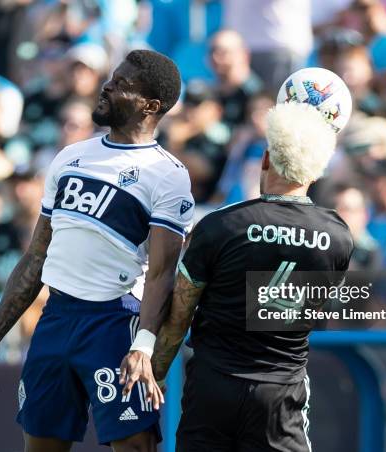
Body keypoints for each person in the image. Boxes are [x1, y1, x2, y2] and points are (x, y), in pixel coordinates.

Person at [0, 50, 193, 452]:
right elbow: (36, 257)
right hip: (56, 318)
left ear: (152, 106)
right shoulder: (71, 157)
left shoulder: (167, 175)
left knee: (136, 447)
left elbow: (161, 273)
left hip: (114, 322)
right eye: (112, 77)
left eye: (122, 84)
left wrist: (144, 346)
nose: (108, 86)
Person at [131, 101, 354, 451]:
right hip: (280, 395)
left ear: (265, 159)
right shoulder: (338, 237)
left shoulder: (221, 225)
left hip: (213, 389)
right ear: (315, 173)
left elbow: (179, 316)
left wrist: (156, 373)